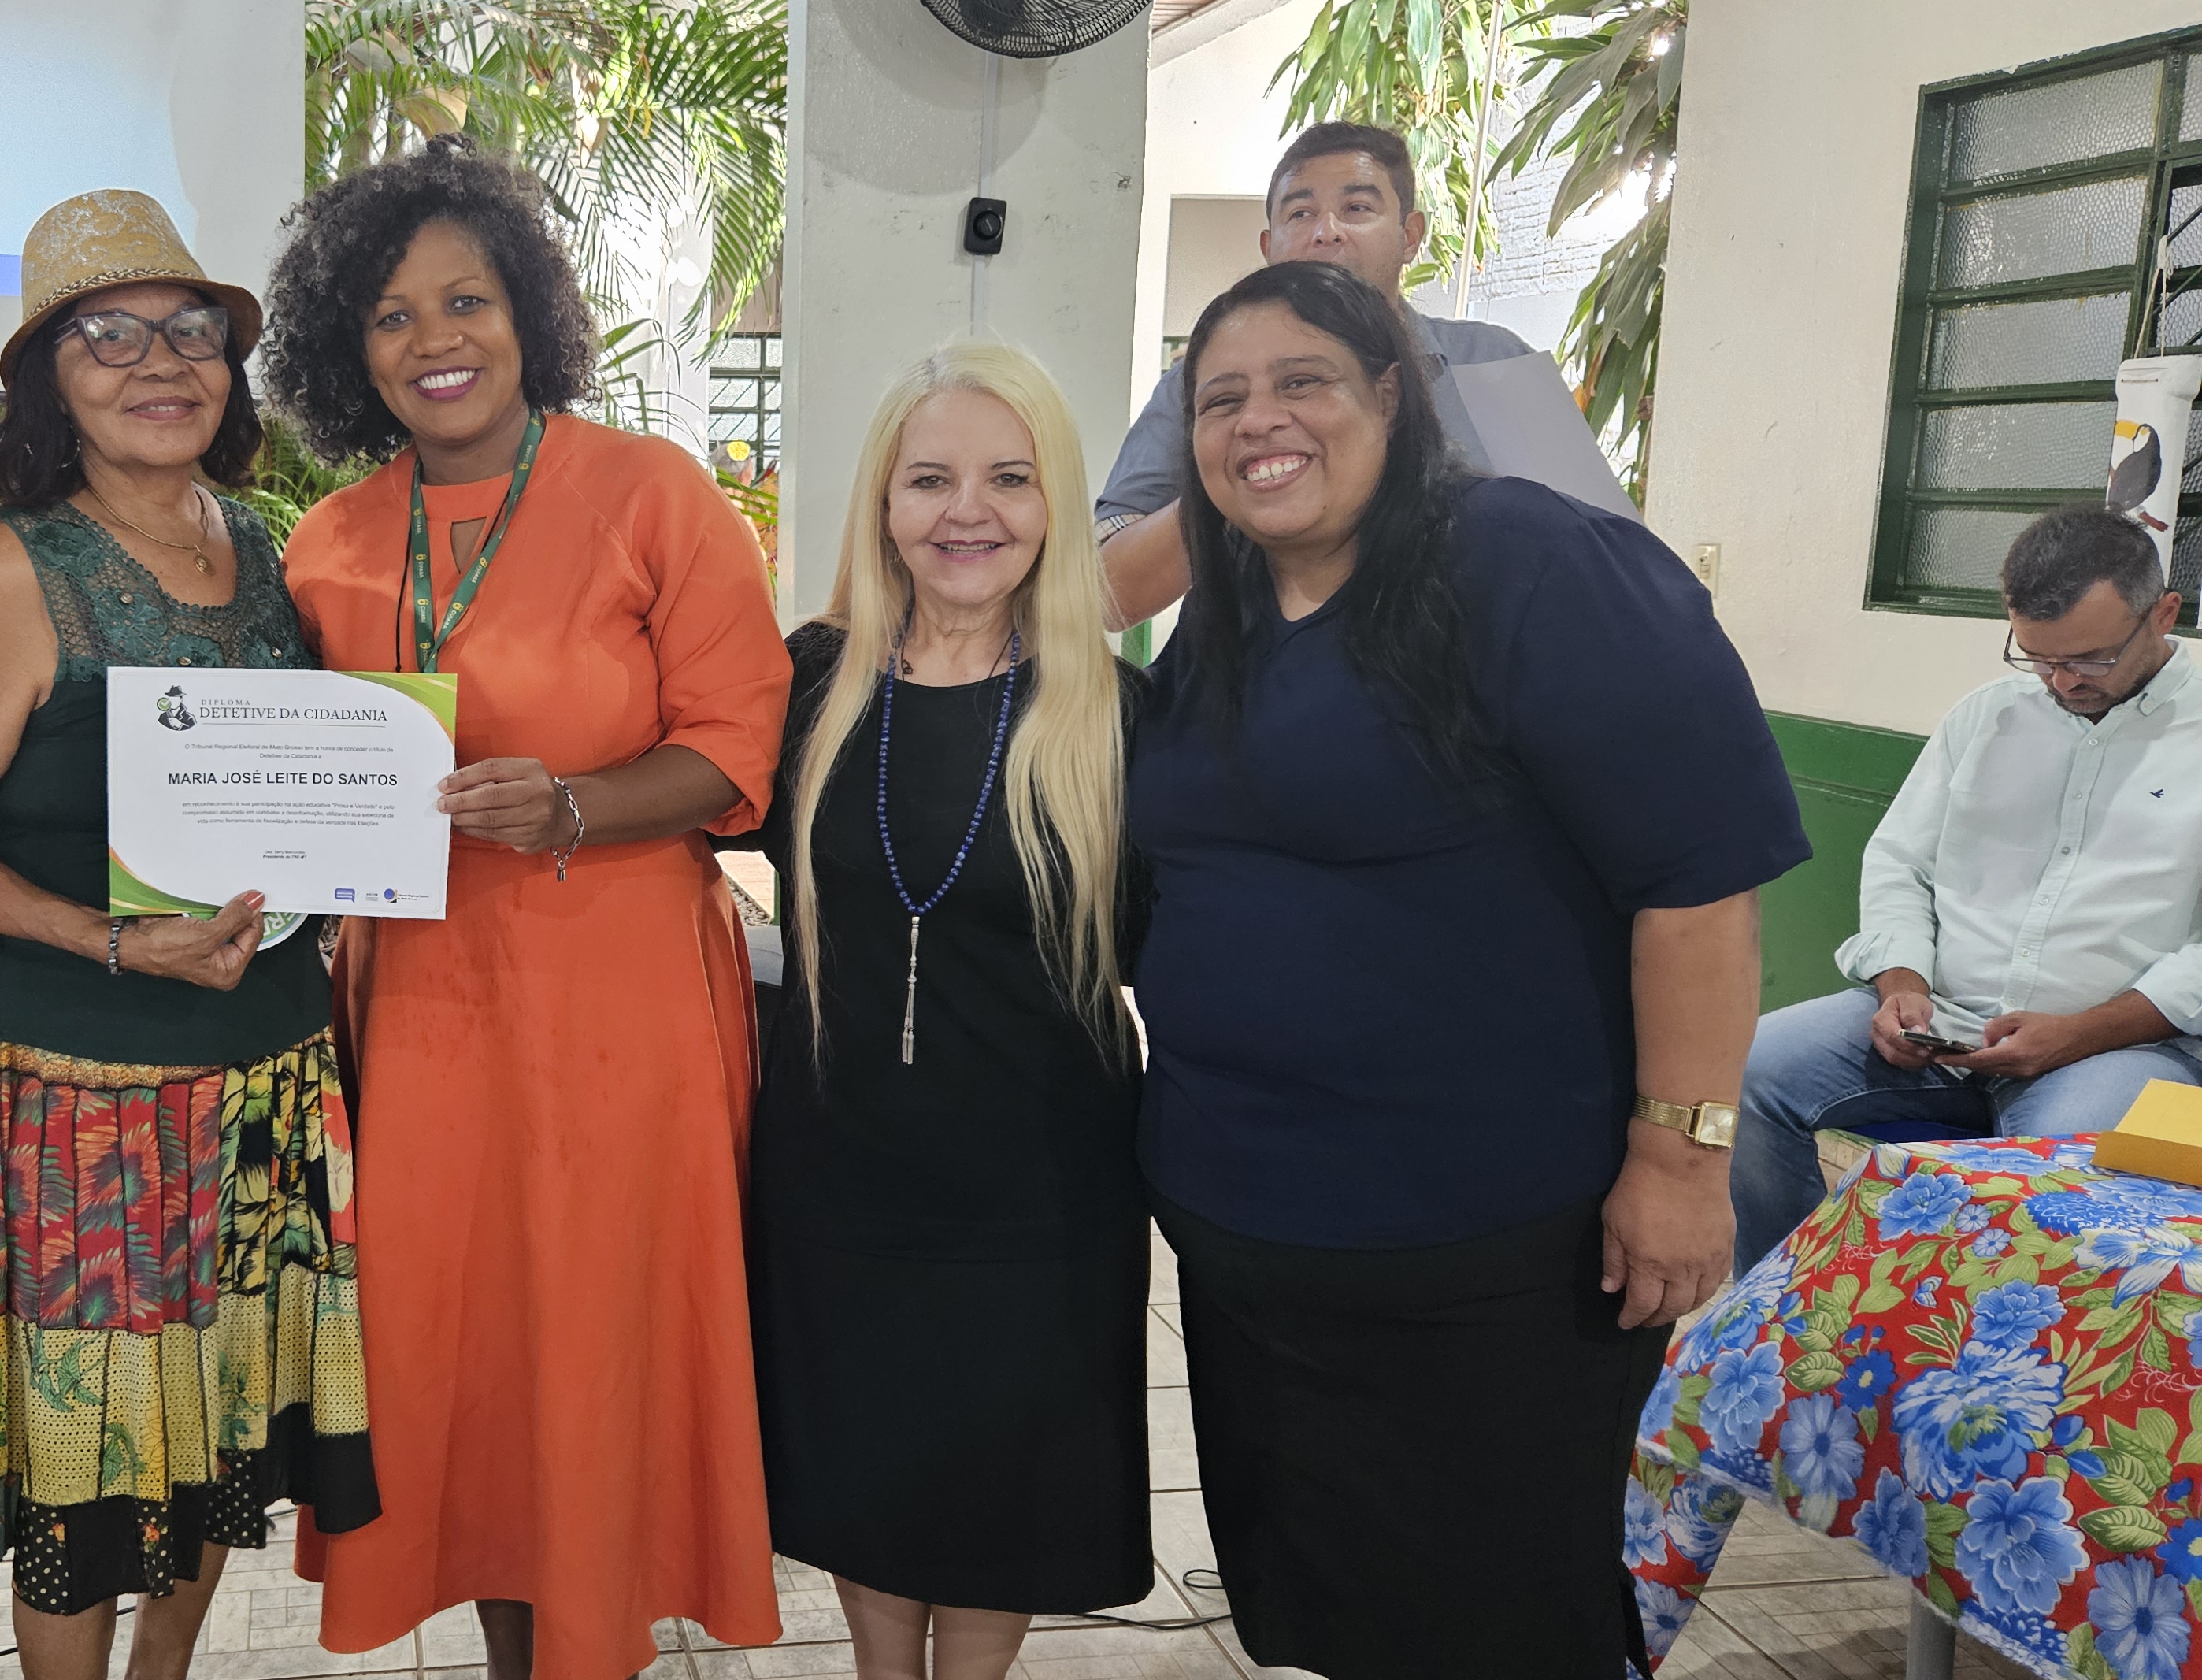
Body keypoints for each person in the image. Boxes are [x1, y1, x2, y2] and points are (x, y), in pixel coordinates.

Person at [1128, 259, 1807, 1678]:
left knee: (1500, 1617)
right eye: (1220, 399)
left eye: (1304, 381)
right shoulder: (1232, 600)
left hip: (1487, 1248)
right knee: (1337, 1603)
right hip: (1252, 1240)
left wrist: (1682, 1158)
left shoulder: (1530, 561)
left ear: (1393, 394)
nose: (1261, 420)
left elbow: (1697, 884)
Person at [260, 133, 791, 1680]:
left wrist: (572, 805)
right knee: (468, 1352)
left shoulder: (650, 494)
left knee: (595, 1340)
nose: (434, 339)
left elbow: (735, 748)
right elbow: (287, 776)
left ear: (527, 313)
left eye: (465, 300)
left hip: (619, 1004)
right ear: (349, 350)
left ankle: (590, 1649)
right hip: (420, 1017)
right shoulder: (328, 544)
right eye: (390, 314)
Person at [0, 191, 377, 1679]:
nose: (160, 363)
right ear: (48, 384)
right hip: (88, 1105)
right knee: (91, 1476)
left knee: (218, 1435)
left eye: (190, 331)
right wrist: (112, 940)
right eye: (108, 337)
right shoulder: (17, 570)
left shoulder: (261, 546)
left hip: (268, 1075)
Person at [721, 342, 1151, 1680]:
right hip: (840, 1163)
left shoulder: (1119, 714)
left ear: (1055, 501)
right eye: (931, 480)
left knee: (997, 1478)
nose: (969, 511)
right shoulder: (808, 683)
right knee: (867, 1455)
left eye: (1010, 479)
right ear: (885, 504)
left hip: (1040, 1186)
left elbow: (1184, 941)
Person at [1731, 506, 2202, 1274]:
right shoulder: (1987, 718)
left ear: (2164, 613)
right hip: (1942, 1022)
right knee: (1746, 1071)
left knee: (2052, 1186)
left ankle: (1978, 1350)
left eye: (2090, 658)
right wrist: (1901, 985)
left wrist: (2078, 1034)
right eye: (2037, 657)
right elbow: (1899, 863)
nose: (2061, 681)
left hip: (2120, 1050)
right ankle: (1784, 1306)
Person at [1093, 121, 1533, 629]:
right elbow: (1106, 595)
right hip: (1267, 666)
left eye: (1357, 209)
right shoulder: (1204, 388)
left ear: (1410, 235)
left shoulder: (1496, 360)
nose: (1327, 231)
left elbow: (1581, 539)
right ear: (1269, 247)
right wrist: (1240, 483)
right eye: (1300, 213)